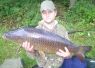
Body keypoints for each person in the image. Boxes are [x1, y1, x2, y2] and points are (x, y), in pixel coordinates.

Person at [22, 0, 72, 68]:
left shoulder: (62, 29)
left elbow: (70, 48)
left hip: (59, 64)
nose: (47, 15)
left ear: (55, 12)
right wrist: (30, 51)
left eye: (50, 12)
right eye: (44, 12)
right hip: (44, 66)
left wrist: (68, 55)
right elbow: (31, 57)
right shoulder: (34, 31)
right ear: (41, 15)